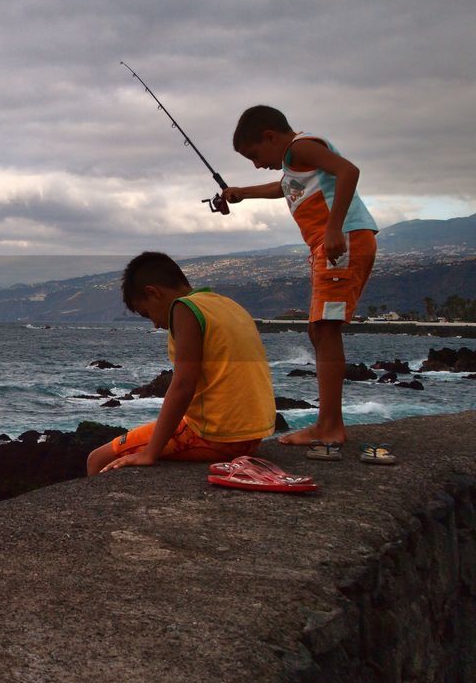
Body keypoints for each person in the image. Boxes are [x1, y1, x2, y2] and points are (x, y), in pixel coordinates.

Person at [223, 106, 377, 452]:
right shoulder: (294, 162)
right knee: (319, 329)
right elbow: (284, 188)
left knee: (325, 328)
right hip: (332, 243)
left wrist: (335, 227)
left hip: (340, 239)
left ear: (270, 137)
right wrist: (242, 192)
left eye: (255, 155)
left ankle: (330, 426)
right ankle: (328, 423)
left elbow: (349, 171)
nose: (256, 163)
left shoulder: (299, 148)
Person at [88, 252, 276, 475]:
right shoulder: (227, 305)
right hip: (253, 436)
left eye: (148, 313)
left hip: (215, 437)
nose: (155, 324)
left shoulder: (184, 308)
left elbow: (183, 385)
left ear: (153, 292)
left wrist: (150, 453)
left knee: (97, 459)